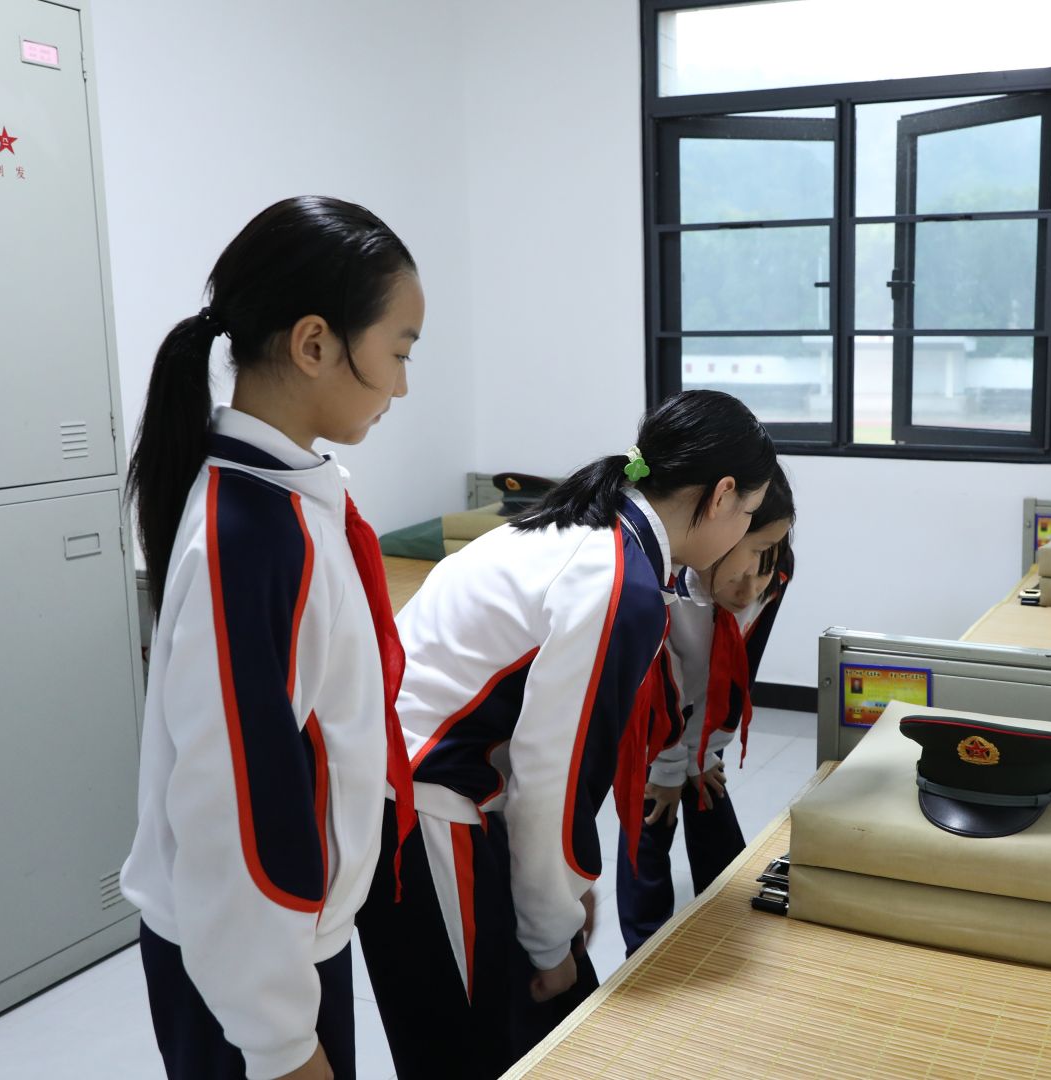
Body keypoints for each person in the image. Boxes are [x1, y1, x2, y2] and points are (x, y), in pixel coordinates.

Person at [357, 390, 778, 1080]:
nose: (743, 536)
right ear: (722, 494)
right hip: (420, 806)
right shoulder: (617, 582)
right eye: (749, 516)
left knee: (501, 1026)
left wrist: (559, 896)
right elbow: (552, 779)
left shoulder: (590, 526)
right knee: (474, 1049)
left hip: (419, 790)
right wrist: (551, 939)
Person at [120, 196, 424, 1080]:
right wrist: (283, 1041)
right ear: (315, 344)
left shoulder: (287, 497)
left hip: (278, 946)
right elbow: (235, 814)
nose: (403, 386)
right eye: (399, 352)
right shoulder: (256, 537)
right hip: (245, 968)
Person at [616, 467, 795, 953]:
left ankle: (727, 922)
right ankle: (642, 949)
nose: (750, 590)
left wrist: (708, 752)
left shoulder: (774, 573)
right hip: (641, 717)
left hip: (696, 709)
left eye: (766, 564)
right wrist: (668, 766)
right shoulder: (661, 581)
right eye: (746, 562)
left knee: (706, 787)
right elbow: (660, 686)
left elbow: (738, 673)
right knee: (651, 811)